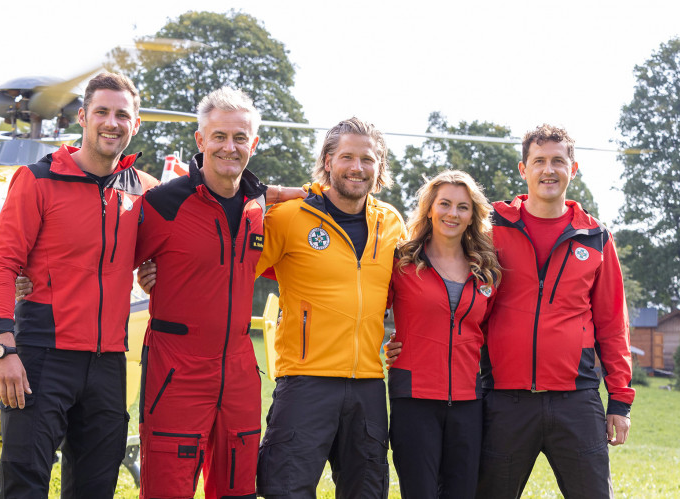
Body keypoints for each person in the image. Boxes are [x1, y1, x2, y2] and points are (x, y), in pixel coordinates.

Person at [0, 72, 158, 498]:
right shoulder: (37, 180)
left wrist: (155, 272)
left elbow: (181, 245)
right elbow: (1, 265)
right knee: (25, 484)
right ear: (83, 117)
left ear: (135, 125)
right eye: (102, 111)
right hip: (41, 357)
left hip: (107, 365)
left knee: (96, 488)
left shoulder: (146, 193)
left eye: (122, 114)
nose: (111, 122)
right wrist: (4, 347)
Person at [476, 124, 633, 498]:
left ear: (572, 169)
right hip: (503, 400)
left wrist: (621, 401)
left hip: (576, 401)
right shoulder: (489, 226)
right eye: (539, 161)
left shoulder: (596, 238)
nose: (549, 170)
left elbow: (613, 325)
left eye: (558, 161)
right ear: (523, 169)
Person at [254, 118, 405, 499]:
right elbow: (234, 267)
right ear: (327, 160)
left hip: (369, 386)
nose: (357, 167)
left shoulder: (391, 223)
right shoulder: (289, 217)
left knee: (367, 493)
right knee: (284, 490)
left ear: (379, 166)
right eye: (347, 157)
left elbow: (412, 293)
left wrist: (409, 338)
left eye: (367, 159)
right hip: (305, 382)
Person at [132, 87, 267, 499]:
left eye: (240, 138)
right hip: (176, 371)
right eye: (220, 136)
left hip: (241, 370)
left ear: (253, 144)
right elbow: (108, 257)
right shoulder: (162, 204)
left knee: (237, 489)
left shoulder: (259, 207)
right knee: (167, 490)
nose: (230, 147)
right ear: (201, 140)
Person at [384, 169, 500, 498]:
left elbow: (488, 331)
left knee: (462, 492)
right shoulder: (403, 261)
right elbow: (371, 312)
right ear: (430, 209)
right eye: (445, 204)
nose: (452, 213)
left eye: (462, 207)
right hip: (414, 398)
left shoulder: (486, 269)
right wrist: (386, 346)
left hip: (468, 400)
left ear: (472, 215)